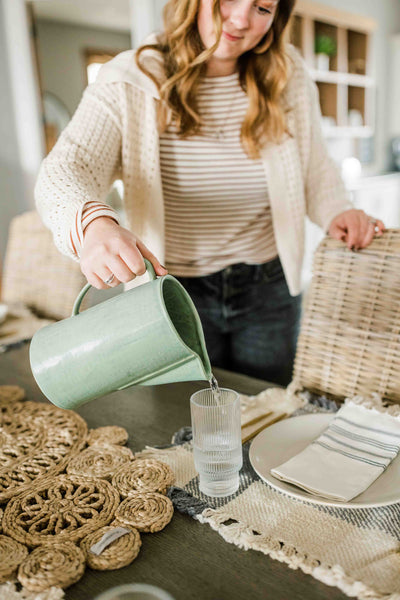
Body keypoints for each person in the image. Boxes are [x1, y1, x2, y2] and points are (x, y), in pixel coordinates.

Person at [35, 0, 384, 386]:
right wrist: (93, 224)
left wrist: (338, 209)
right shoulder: (128, 78)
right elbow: (65, 170)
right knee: (182, 421)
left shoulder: (289, 74)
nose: (241, 19)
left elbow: (315, 167)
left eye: (263, 9)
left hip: (269, 287)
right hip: (173, 291)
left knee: (269, 406)